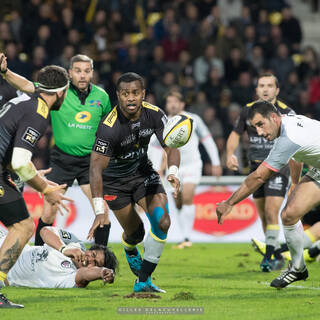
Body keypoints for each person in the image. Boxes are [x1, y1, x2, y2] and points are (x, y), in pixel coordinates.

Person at [0, 53, 112, 247]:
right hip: (62, 160)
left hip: (89, 162)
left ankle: (101, 256)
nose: (83, 75)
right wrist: (5, 71)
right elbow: (26, 84)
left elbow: (109, 128)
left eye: (87, 71)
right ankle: (38, 257)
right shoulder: (54, 95)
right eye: (78, 71)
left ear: (92, 73)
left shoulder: (102, 97)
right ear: (70, 74)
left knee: (102, 209)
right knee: (47, 212)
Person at [89, 72, 180, 293]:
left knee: (163, 222)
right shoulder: (109, 127)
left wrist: (174, 171)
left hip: (143, 174)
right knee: (136, 234)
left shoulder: (155, 115)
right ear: (118, 96)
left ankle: (142, 281)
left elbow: (171, 145)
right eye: (125, 94)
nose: (130, 98)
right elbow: (95, 169)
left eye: (135, 93)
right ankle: (130, 248)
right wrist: (100, 210)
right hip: (114, 184)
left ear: (143, 94)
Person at [216, 100, 320, 289]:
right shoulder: (287, 123)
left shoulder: (288, 139)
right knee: (289, 215)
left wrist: (229, 203)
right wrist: (295, 183)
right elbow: (297, 156)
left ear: (273, 117)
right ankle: (298, 267)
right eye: (255, 128)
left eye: (261, 125)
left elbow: (257, 177)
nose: (260, 133)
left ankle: (305, 253)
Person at [0, 64, 72, 308]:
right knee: (22, 227)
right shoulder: (38, 114)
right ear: (61, 92)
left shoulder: (30, 97)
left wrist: (5, 72)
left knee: (22, 226)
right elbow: (20, 162)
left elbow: (26, 84)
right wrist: (45, 188)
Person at [226, 73, 294, 272]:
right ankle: (276, 254)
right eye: (261, 85)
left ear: (277, 90)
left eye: (270, 85)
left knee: (273, 211)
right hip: (255, 167)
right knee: (264, 215)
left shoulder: (286, 112)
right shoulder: (247, 111)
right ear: (256, 89)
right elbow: (235, 134)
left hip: (278, 167)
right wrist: (230, 154)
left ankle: (268, 258)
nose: (265, 89)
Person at [148, 91, 222, 249]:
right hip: (173, 167)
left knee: (188, 196)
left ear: (182, 104)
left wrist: (215, 162)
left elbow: (207, 140)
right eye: (169, 102)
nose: (173, 104)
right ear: (166, 105)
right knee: (178, 202)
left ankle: (187, 237)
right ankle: (183, 236)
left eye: (176, 101)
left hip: (192, 165)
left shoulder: (193, 119)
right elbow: (153, 145)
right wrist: (155, 168)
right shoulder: (162, 122)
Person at [0, 225, 117, 288]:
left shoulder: (72, 278)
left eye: (95, 263)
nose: (89, 259)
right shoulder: (75, 243)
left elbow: (85, 274)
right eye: (93, 254)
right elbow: (44, 231)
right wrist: (64, 248)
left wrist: (102, 272)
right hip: (8, 243)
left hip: (5, 273)